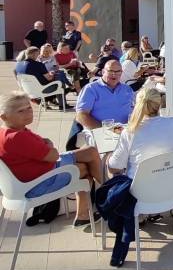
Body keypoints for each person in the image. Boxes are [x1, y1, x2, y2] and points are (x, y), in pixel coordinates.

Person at [0, 91, 102, 227]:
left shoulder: (8, 132)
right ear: (4, 117)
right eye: (20, 111)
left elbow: (42, 146)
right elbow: (53, 155)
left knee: (89, 153)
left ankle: (87, 211)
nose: (28, 113)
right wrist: (48, 145)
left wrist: (46, 145)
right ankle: (109, 195)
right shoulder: (17, 137)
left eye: (29, 108)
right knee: (87, 164)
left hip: (27, 181)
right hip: (37, 184)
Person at [108, 87, 173, 179]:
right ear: (160, 104)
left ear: (137, 105)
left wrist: (108, 158)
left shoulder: (129, 132)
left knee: (110, 162)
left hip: (139, 187)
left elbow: (114, 167)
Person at [75, 60, 135, 130]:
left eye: (118, 71)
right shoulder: (91, 89)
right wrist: (104, 129)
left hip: (125, 131)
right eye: (110, 71)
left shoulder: (127, 89)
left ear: (121, 73)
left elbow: (134, 109)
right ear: (103, 72)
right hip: (99, 131)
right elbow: (81, 115)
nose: (114, 74)